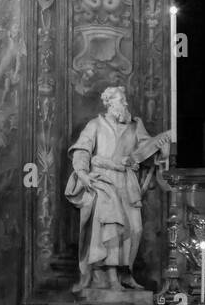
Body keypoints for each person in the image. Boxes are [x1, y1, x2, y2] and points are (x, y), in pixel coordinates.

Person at [65, 85, 171, 292]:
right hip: (104, 182)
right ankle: (111, 277)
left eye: (125, 100)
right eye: (121, 101)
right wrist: (83, 173)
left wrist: (162, 148)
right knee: (111, 229)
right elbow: (81, 151)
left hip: (127, 182)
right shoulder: (95, 125)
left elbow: (147, 150)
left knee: (135, 229)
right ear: (110, 103)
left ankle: (125, 273)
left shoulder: (134, 126)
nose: (125, 104)